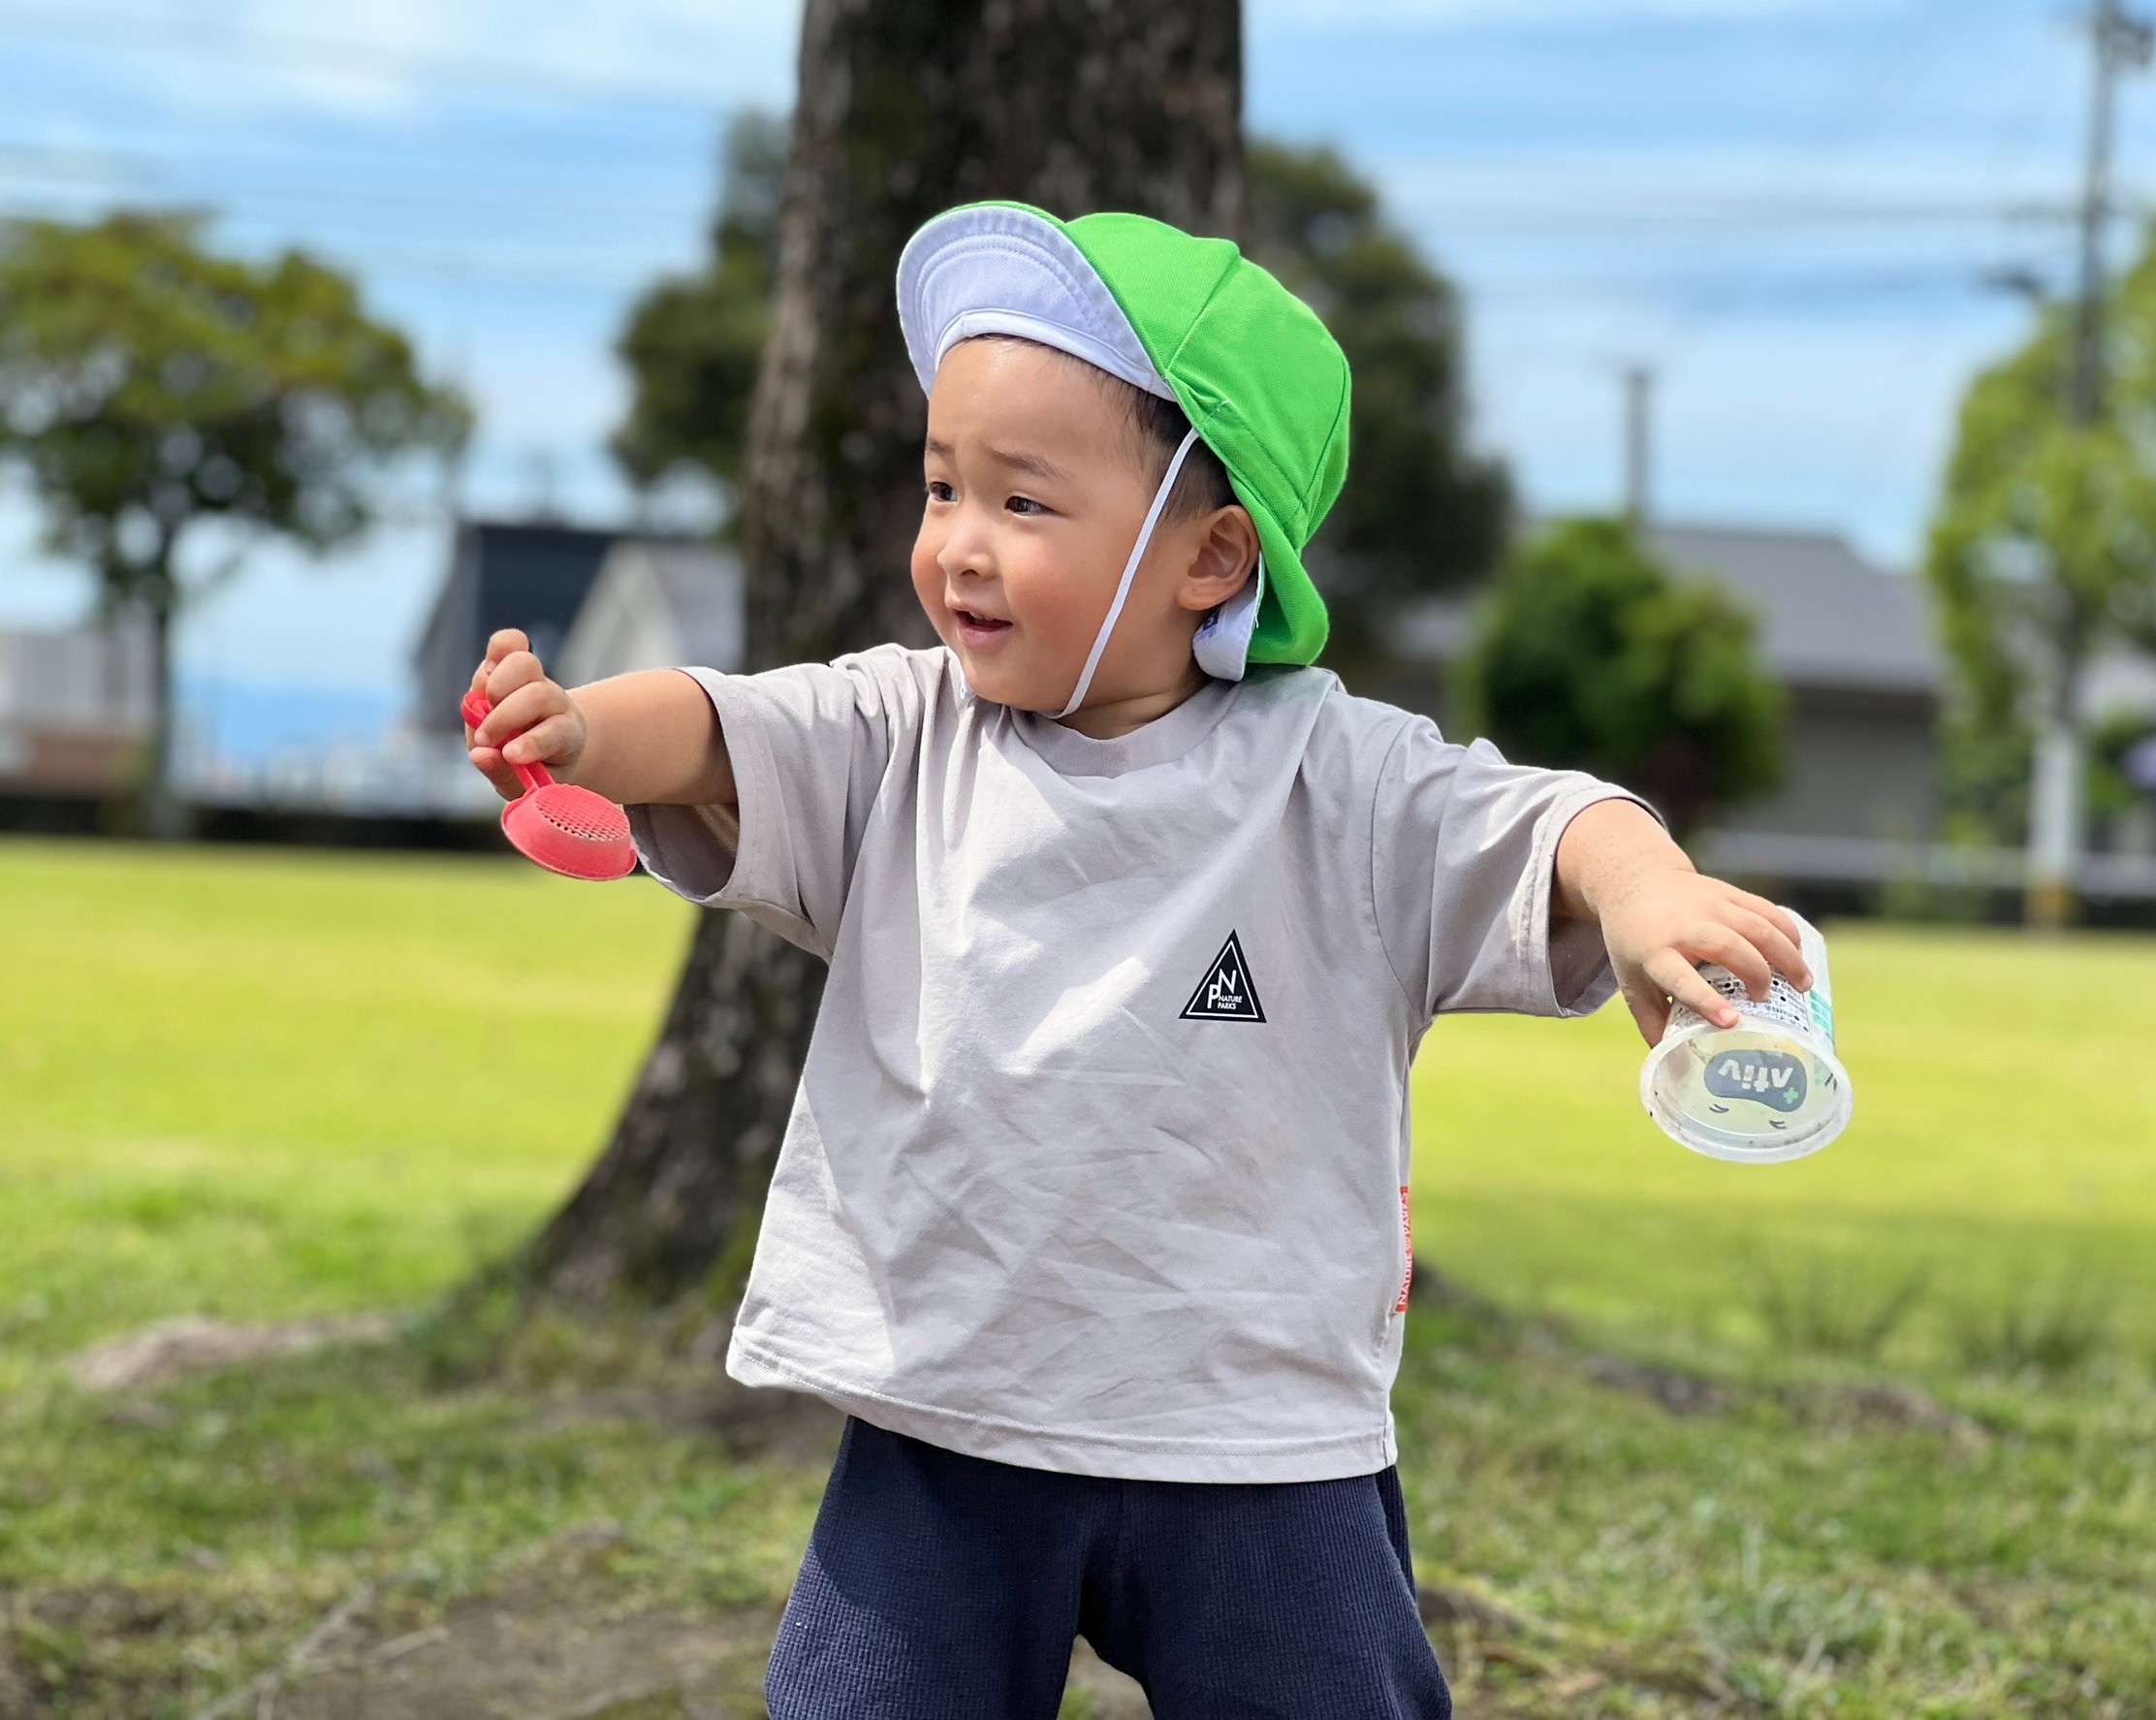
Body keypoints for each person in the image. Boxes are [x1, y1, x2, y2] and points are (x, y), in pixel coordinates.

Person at [464, 202, 1813, 1719]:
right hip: (946, 1415)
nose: (959, 545)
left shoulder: (1336, 780)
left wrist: (1647, 892)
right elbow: (725, 724)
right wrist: (584, 727)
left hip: (1256, 1440)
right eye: (941, 485)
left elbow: (1546, 818)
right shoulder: (906, 733)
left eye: (1023, 501)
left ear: (1211, 554)